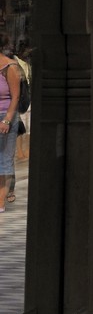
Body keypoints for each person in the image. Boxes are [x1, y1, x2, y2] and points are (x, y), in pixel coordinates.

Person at [0, 44, 23, 212]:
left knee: (4, 161)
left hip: (5, 117)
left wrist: (7, 120)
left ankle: (0, 202)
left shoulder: (10, 67)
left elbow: (15, 96)